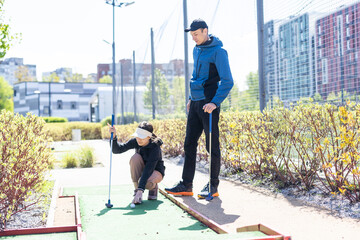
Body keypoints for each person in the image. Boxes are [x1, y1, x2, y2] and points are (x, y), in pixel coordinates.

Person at [165, 19, 233, 199]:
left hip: (209, 105)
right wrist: (190, 98)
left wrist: (215, 102)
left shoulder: (219, 52)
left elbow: (228, 81)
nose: (193, 38)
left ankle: (213, 186)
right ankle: (186, 185)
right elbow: (196, 76)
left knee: (212, 147)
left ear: (205, 31)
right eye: (191, 35)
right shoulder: (197, 50)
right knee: (189, 144)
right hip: (195, 103)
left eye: (196, 34)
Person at [108, 121, 165, 204]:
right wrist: (113, 137)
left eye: (142, 138)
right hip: (143, 171)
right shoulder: (136, 141)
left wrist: (140, 190)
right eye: (137, 137)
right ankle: (136, 190)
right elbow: (117, 150)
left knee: (147, 183)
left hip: (155, 171)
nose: (138, 140)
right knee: (135, 158)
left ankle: (153, 187)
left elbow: (148, 169)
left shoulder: (155, 148)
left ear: (149, 137)